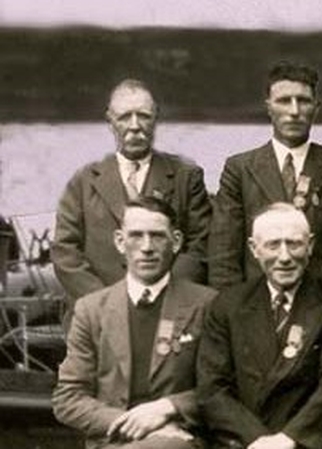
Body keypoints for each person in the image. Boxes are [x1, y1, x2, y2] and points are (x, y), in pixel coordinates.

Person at [53, 197, 217, 449]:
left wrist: (169, 408)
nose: (147, 247)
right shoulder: (91, 309)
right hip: (113, 441)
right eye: (136, 236)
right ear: (120, 241)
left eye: (157, 236)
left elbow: (220, 390)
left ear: (176, 242)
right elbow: (69, 397)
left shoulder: (206, 304)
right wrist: (135, 423)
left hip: (179, 441)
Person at [197, 203, 322, 449]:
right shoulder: (227, 304)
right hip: (245, 442)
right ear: (254, 249)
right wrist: (260, 440)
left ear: (310, 245)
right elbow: (212, 389)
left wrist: (289, 439)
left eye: (294, 244)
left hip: (311, 441)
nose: (284, 257)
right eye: (273, 245)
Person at [53, 79, 212, 327]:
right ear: (110, 121)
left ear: (156, 119)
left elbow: (199, 246)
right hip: (98, 318)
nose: (135, 126)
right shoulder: (83, 182)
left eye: (144, 116)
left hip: (169, 313)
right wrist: (106, 303)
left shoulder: (185, 177)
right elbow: (65, 252)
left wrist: (164, 297)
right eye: (125, 117)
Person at [209, 61, 322, 302]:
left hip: (319, 309)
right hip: (252, 306)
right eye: (284, 101)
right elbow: (224, 259)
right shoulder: (239, 170)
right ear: (269, 107)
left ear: (316, 107)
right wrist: (234, 316)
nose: (294, 111)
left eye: (303, 101)